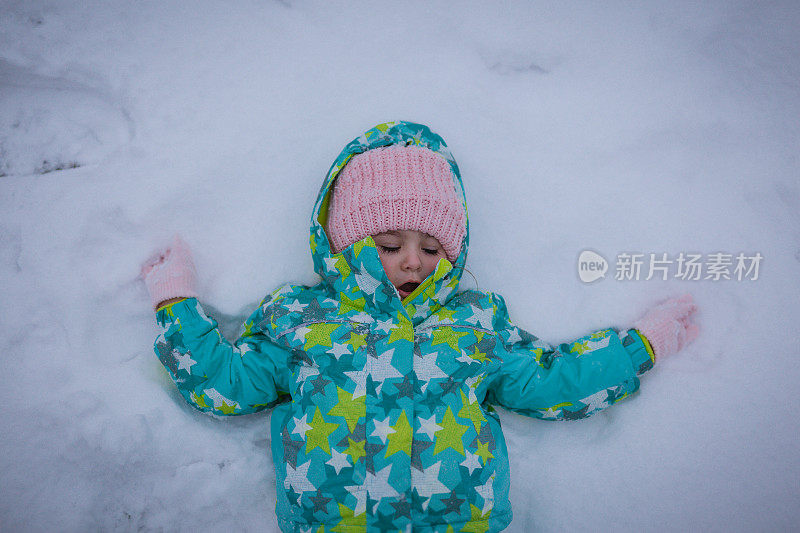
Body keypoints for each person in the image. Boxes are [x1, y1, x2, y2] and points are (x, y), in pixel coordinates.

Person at [142, 120, 699, 532]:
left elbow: (547, 384)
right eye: (389, 245)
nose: (412, 261)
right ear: (344, 245)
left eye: (430, 246)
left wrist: (639, 346)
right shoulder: (303, 320)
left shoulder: (473, 324)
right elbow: (227, 387)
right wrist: (176, 305)